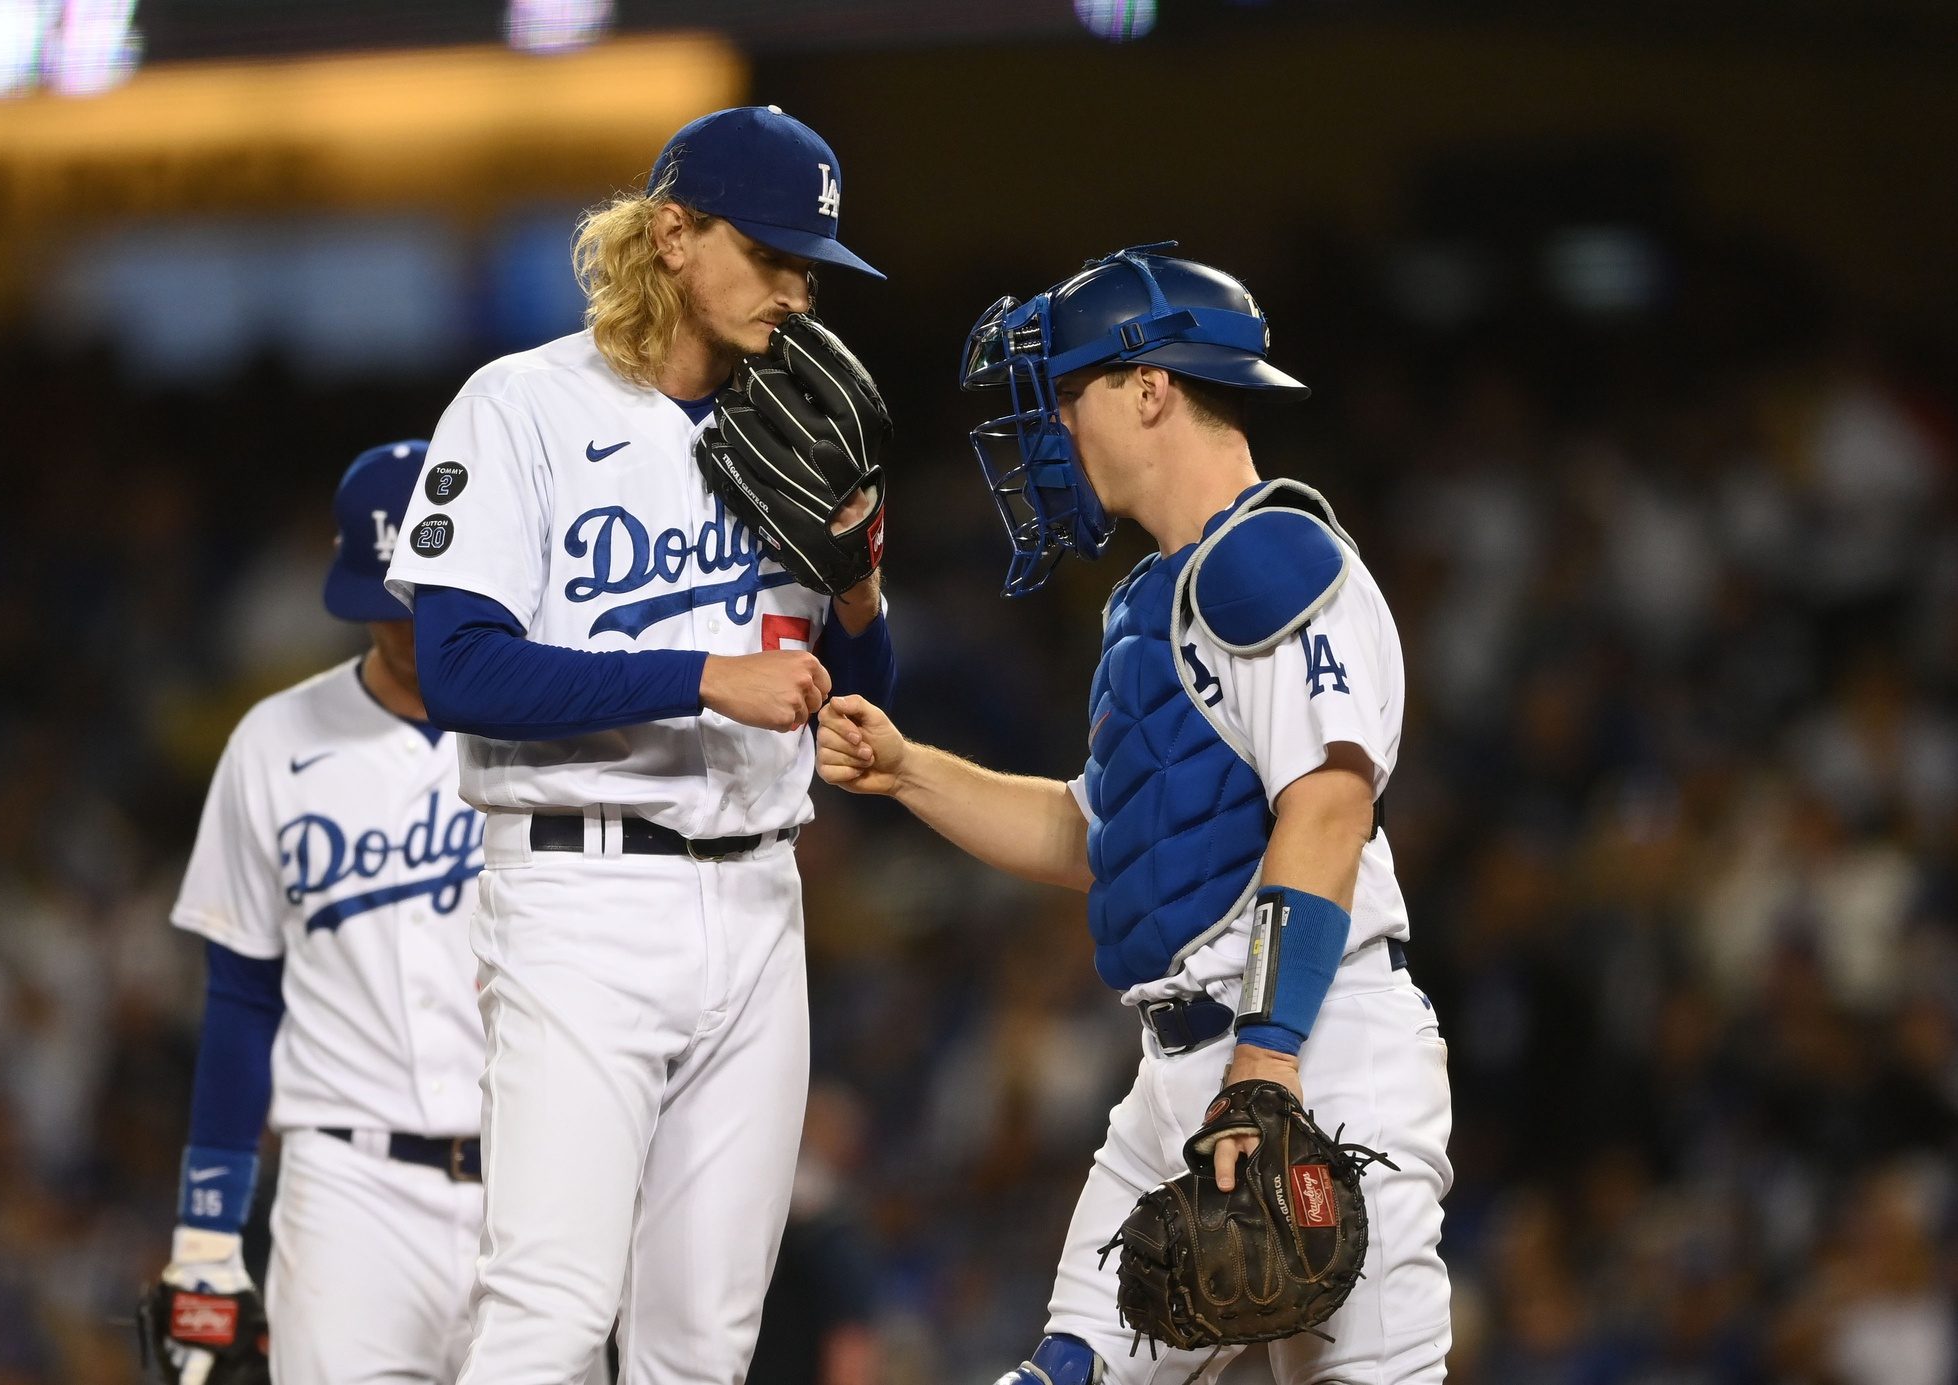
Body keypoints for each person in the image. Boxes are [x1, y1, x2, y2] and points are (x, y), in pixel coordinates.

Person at [817, 247, 1452, 1383]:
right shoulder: (1155, 595)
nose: (1052, 426)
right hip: (1182, 1071)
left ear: (1149, 387)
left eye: (1067, 393)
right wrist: (909, 770)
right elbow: (1103, 840)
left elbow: (1327, 804)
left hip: (1316, 1052)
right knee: (1062, 1372)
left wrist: (1264, 1059)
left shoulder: (1271, 557)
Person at [380, 105, 894, 1385]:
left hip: (761, 897)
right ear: (672, 233)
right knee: (551, 1309)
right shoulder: (523, 406)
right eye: (768, 254)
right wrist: (702, 676)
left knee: (703, 1341)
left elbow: (850, 701)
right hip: (579, 892)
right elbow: (458, 670)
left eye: (809, 266)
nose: (795, 290)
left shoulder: (796, 427)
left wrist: (863, 590)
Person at [147, 441, 499, 1385]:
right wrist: (207, 1229)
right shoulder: (273, 742)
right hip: (350, 1191)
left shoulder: (560, 725)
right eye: (388, 608)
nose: (407, 628)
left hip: (537, 1178)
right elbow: (240, 996)